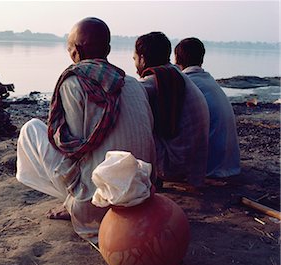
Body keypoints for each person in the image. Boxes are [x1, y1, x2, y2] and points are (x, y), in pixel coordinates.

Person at [16, 17, 156, 242]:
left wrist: (74, 202)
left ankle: (74, 204)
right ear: (108, 50)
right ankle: (77, 201)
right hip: (142, 194)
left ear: (75, 52)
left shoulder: (74, 82)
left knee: (31, 130)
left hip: (97, 205)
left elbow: (73, 149)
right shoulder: (132, 83)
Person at [133, 32, 210, 187]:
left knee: (129, 118)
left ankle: (147, 180)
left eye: (135, 59)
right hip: (194, 166)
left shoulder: (156, 80)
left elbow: (127, 95)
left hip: (176, 165)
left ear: (142, 58)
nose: (135, 65)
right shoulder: (175, 74)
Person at [175, 37, 241, 178]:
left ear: (176, 59)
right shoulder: (207, 80)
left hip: (210, 168)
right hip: (230, 164)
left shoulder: (187, 83)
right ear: (202, 59)